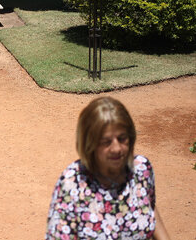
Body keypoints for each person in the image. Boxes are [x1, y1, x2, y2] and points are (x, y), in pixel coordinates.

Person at [45, 97, 171, 240]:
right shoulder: (71, 184)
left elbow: (149, 206)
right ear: (90, 144)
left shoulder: (141, 169)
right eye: (106, 142)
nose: (116, 148)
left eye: (122, 138)